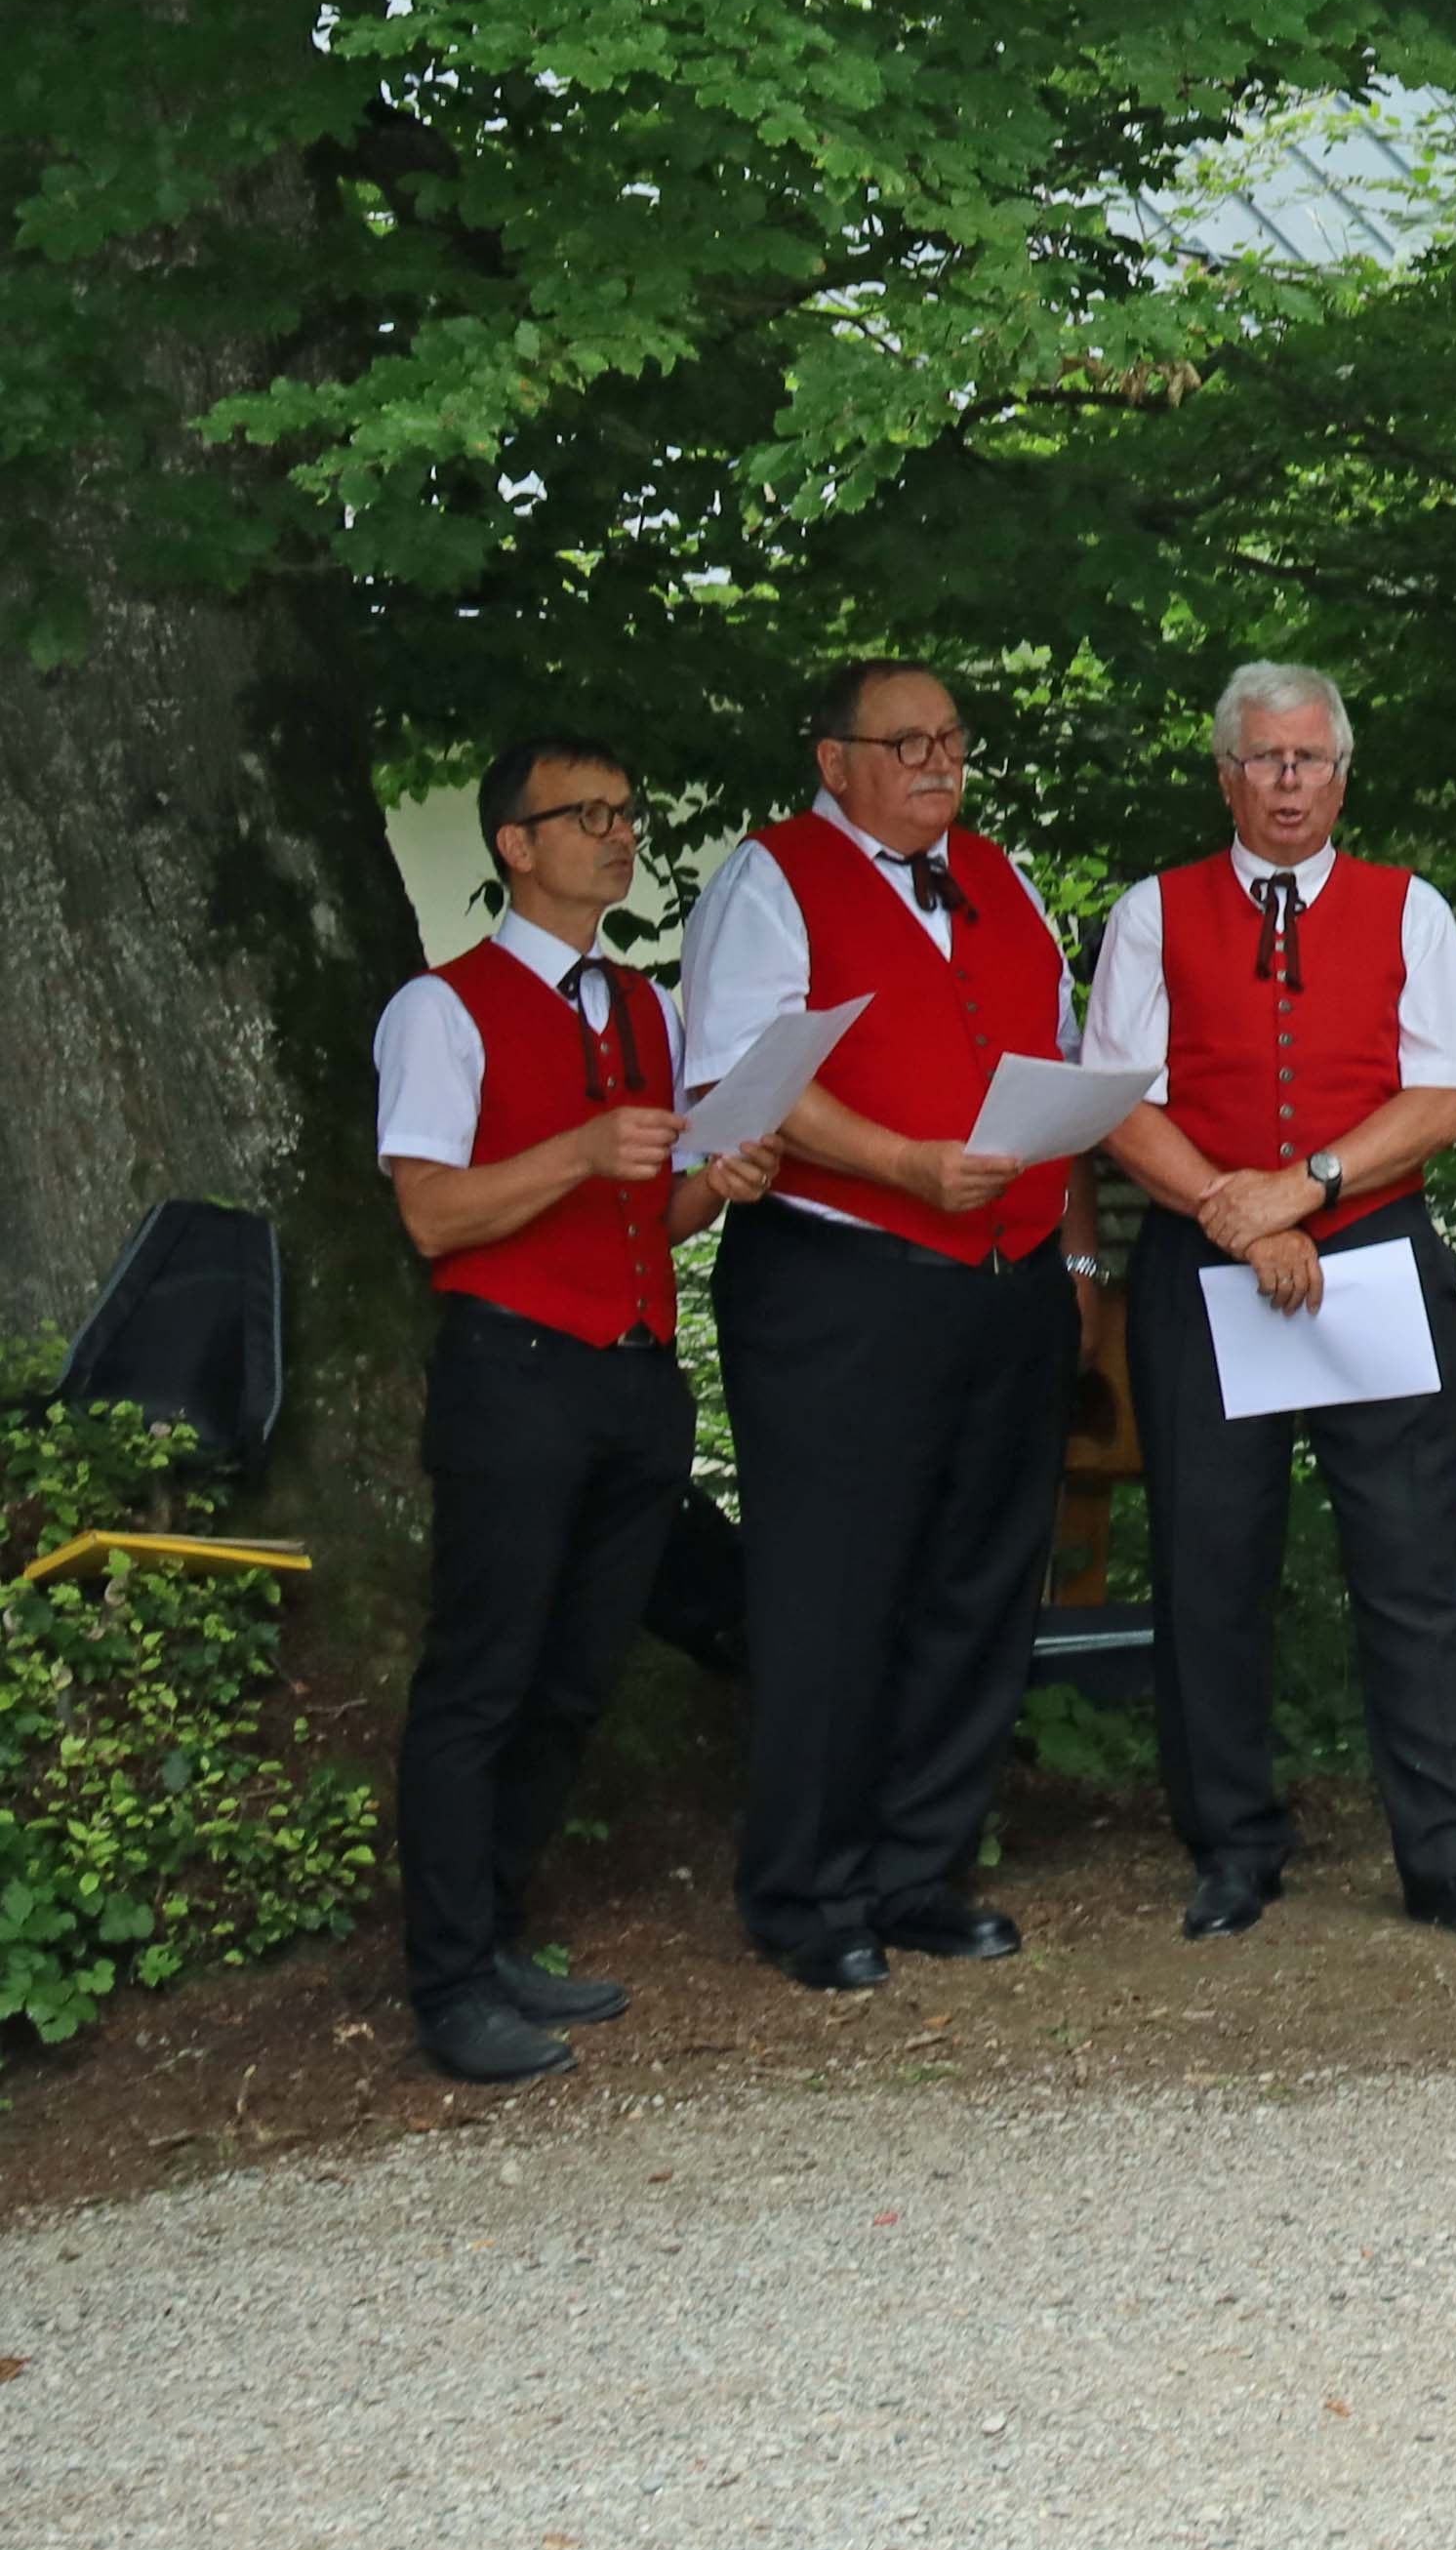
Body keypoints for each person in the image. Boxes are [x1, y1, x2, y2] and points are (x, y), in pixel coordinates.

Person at [1078, 663, 1456, 1951]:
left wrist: (1302, 1189)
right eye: (1265, 762)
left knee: (1408, 1565)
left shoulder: (1410, 911)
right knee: (1210, 1564)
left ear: (1343, 776)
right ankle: (1230, 1843)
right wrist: (1231, 1211)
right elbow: (1116, 1101)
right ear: (1227, 774)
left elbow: (1443, 1096)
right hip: (1203, 1254)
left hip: (1371, 1252)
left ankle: (1446, 1853)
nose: (1289, 785)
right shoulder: (1155, 912)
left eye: (1310, 762)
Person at [372, 735, 788, 2080]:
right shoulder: (441, 1010)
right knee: (481, 1682)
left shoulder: (642, 1011)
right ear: (515, 845)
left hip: (631, 1375)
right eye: (587, 817)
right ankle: (443, 1985)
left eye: (625, 812)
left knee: (574, 1677)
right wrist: (572, 1151)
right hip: (515, 1377)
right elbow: (435, 1216)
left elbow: (643, 1219)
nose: (618, 837)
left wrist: (714, 1184)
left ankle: (493, 1931)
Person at [680, 660, 1095, 1992]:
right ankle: (806, 1886)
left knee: (977, 1581)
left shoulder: (1006, 876)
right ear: (834, 760)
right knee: (831, 1586)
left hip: (1008, 1276)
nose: (935, 763)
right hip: (842, 1275)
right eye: (904, 743)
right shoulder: (773, 878)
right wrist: (907, 1165)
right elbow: (753, 1082)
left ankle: (921, 1865)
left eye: (952, 742)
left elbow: (1071, 1066)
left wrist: (1074, 1256)